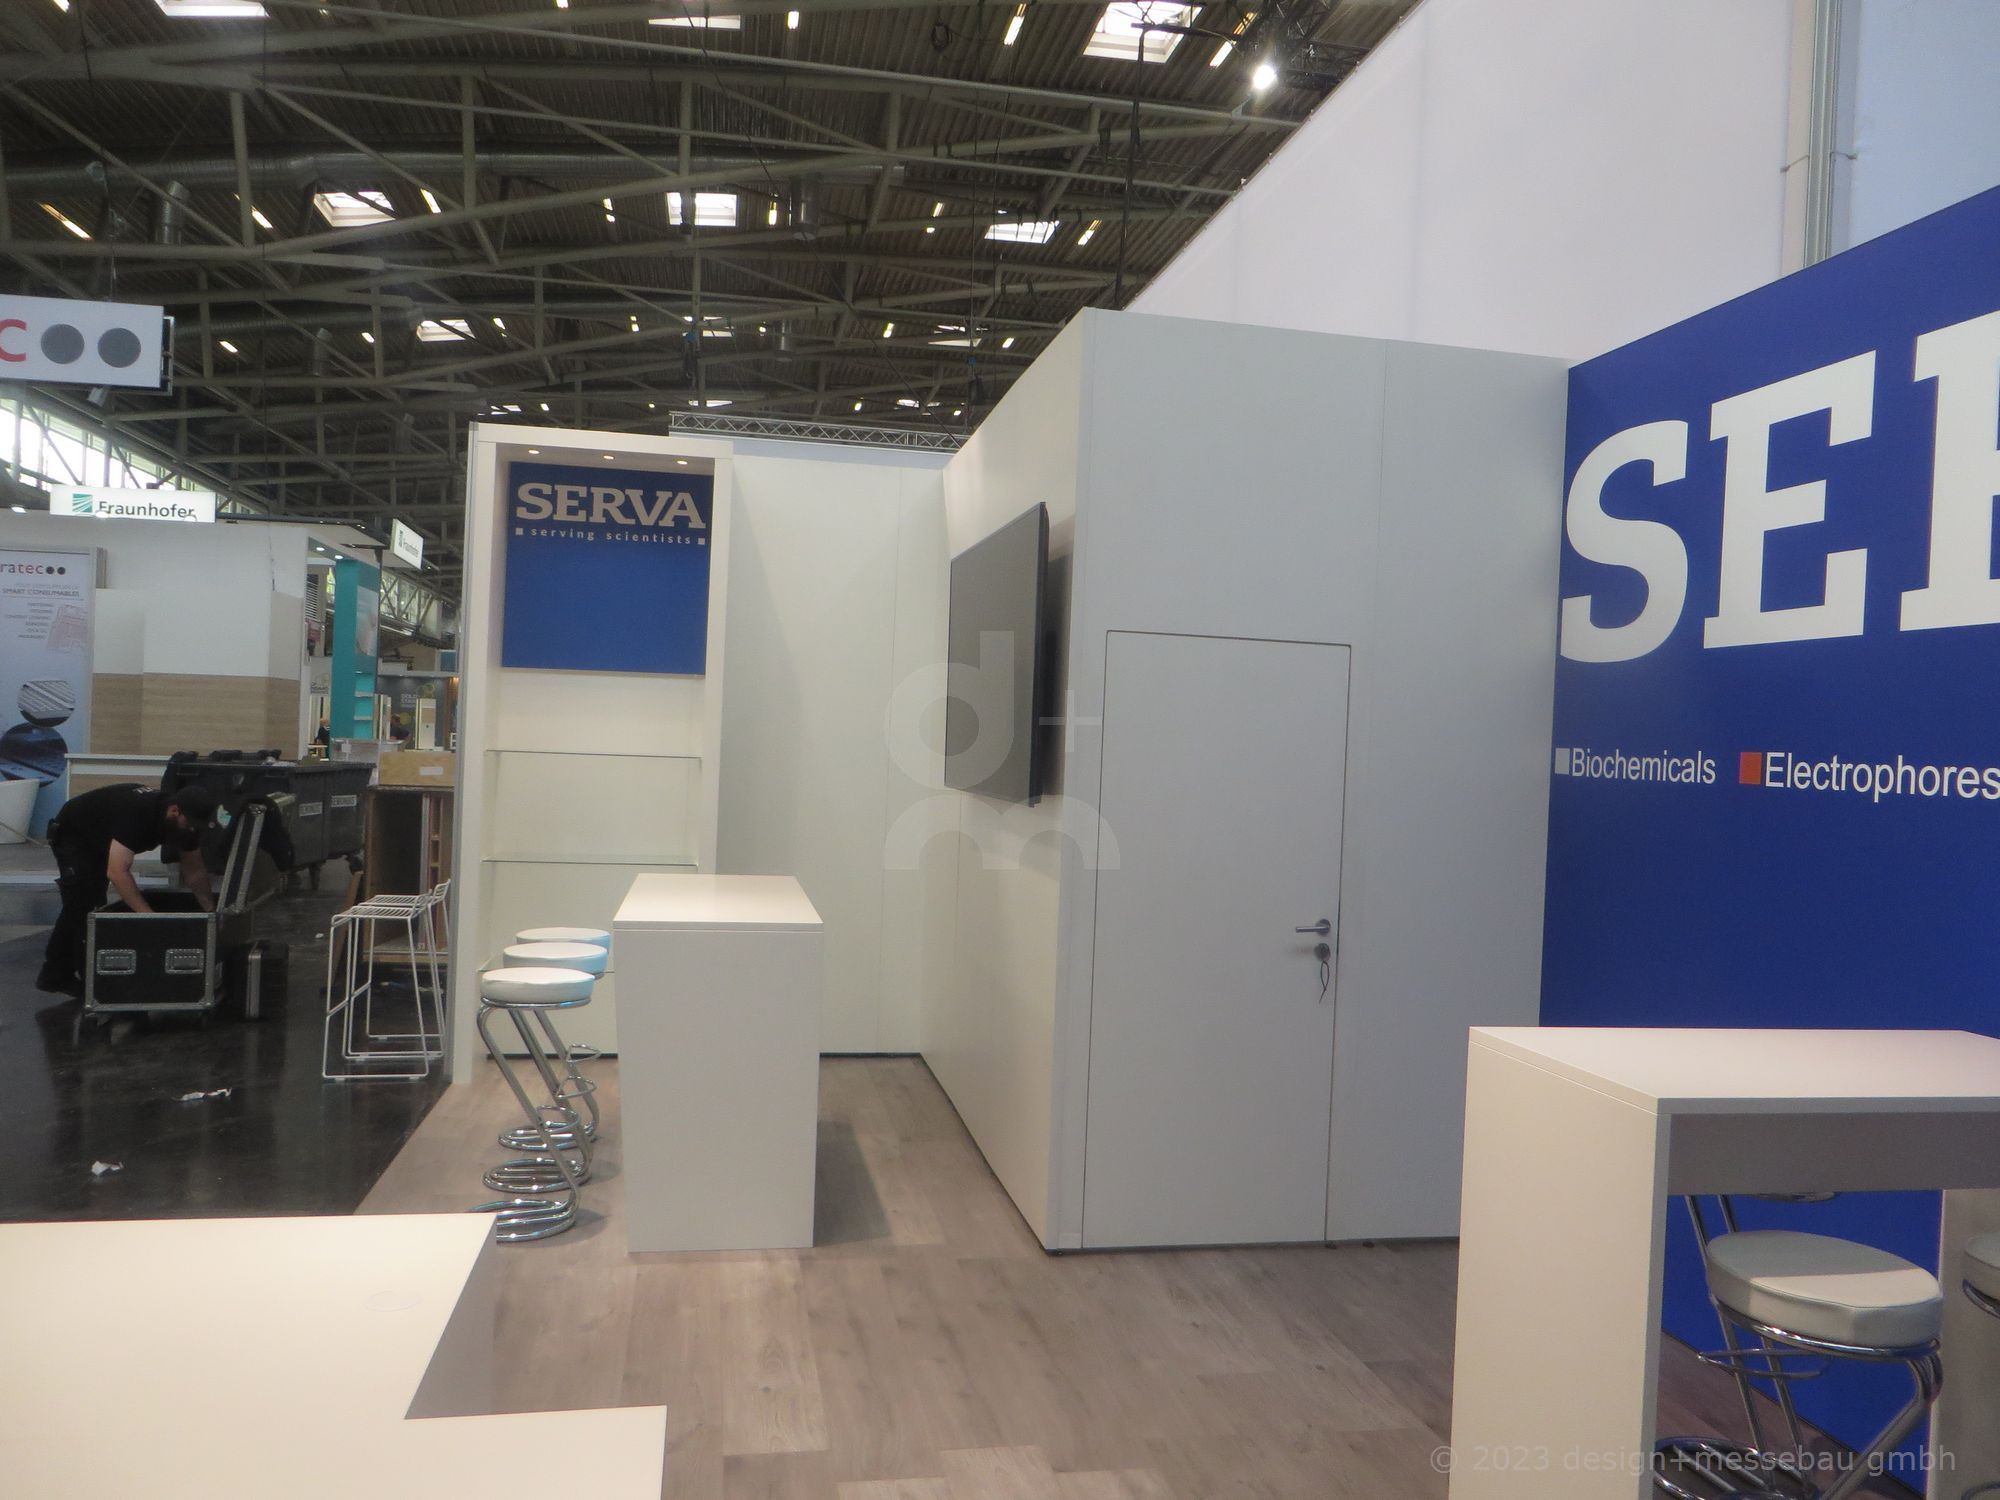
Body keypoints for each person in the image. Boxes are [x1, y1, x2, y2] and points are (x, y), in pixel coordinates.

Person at [35, 782, 221, 996]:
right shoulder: (138, 815)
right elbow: (117, 873)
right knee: (82, 901)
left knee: (88, 901)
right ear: (174, 811)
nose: (192, 830)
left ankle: (58, 975)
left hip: (102, 835)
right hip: (74, 833)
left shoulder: (186, 824)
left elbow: (195, 872)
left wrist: (211, 912)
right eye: (190, 824)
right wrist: (150, 919)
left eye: (197, 826)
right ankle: (76, 980)